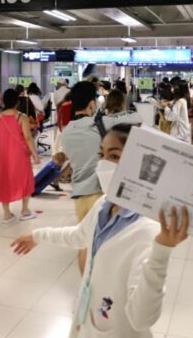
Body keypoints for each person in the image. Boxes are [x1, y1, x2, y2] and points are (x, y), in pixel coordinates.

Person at [11, 123, 190, 338]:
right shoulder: (105, 204)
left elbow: (141, 318)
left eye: (114, 156)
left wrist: (161, 253)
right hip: (88, 320)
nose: (104, 163)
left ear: (140, 161)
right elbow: (79, 235)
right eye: (101, 154)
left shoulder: (148, 229)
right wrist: (38, 235)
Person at [62, 81, 142, 273]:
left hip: (79, 195)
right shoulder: (100, 124)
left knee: (85, 244)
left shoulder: (66, 131)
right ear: (91, 104)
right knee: (107, 245)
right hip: (100, 194)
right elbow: (138, 116)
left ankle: (86, 284)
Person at [0, 89, 41, 223]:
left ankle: (7, 214)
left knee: (4, 180)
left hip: (4, 154)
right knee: (25, 179)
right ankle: (25, 210)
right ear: (17, 101)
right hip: (19, 153)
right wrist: (35, 155)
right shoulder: (22, 117)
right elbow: (28, 137)